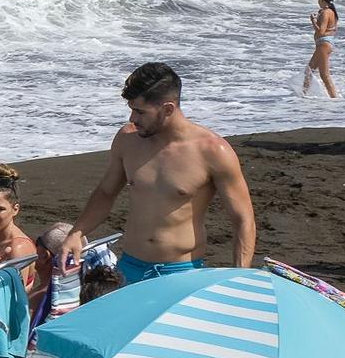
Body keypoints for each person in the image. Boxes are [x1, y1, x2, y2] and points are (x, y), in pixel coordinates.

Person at [58, 63, 256, 282]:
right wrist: (76, 233)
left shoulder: (212, 151)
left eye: (140, 112)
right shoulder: (128, 139)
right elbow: (106, 192)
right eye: (132, 109)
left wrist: (241, 274)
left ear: (168, 109)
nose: (132, 119)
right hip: (129, 266)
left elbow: (243, 219)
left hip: (181, 271)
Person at [303, 0, 340, 99]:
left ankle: (335, 98)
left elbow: (321, 31)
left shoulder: (325, 12)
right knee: (309, 71)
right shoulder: (332, 12)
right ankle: (303, 95)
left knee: (324, 75)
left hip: (323, 44)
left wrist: (313, 21)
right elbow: (333, 29)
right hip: (325, 44)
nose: (318, 1)